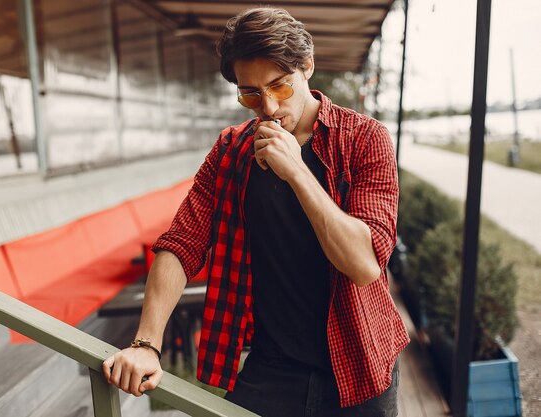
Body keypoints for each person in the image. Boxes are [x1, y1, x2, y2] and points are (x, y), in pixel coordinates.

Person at [103, 7, 409, 417]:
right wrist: (146, 345)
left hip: (360, 362)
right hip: (272, 368)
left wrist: (296, 170)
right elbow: (180, 244)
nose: (267, 107)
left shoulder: (364, 139)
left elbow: (365, 264)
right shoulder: (231, 150)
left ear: (307, 67)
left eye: (279, 87)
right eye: (250, 93)